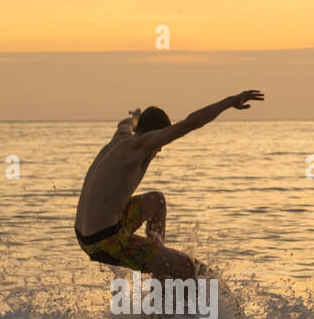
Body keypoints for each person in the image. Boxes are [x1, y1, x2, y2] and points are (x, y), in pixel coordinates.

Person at [74, 90, 264, 279]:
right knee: (188, 267)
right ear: (156, 135)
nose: (159, 150)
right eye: (160, 144)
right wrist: (229, 102)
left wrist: (136, 117)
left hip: (87, 233)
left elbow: (124, 124)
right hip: (105, 240)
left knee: (156, 200)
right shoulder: (141, 145)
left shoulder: (121, 138)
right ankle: (164, 289)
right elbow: (191, 123)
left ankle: (159, 271)